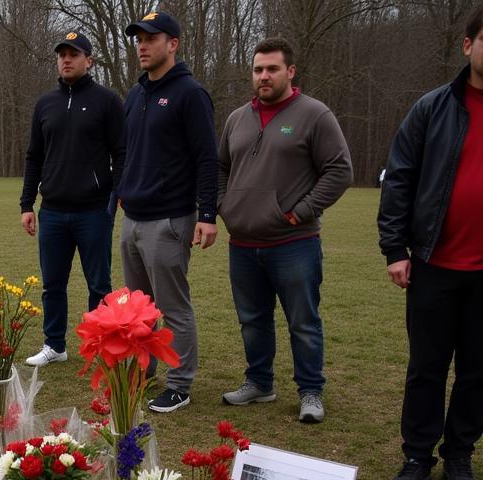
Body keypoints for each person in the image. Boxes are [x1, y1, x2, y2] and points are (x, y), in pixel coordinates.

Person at [218, 38, 352, 424]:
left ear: (290, 72)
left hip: (293, 242)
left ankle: (310, 390)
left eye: (272, 69)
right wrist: (226, 205)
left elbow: (340, 170)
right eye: (258, 69)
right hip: (243, 243)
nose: (264, 76)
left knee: (303, 321)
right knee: (252, 319)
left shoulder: (314, 114)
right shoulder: (237, 118)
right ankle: (259, 382)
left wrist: (303, 210)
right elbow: (221, 166)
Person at [379, 6, 483, 480]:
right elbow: (399, 177)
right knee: (427, 366)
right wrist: (395, 248)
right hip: (433, 265)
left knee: (478, 369)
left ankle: (459, 455)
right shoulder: (432, 108)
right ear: (468, 46)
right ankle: (417, 455)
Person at [117, 12, 217, 413]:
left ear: (173, 43)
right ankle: (143, 371)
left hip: (170, 218)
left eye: (151, 38)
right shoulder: (135, 94)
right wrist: (123, 189)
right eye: (138, 38)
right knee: (138, 309)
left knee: (172, 306)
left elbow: (207, 158)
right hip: (134, 216)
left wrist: (207, 213)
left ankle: (180, 384)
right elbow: (128, 151)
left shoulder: (190, 93)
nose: (142, 45)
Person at [20, 31, 125, 367]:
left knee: (99, 283)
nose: (66, 59)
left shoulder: (106, 101)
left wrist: (116, 196)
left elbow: (121, 152)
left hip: (93, 210)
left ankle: (99, 342)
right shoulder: (45, 104)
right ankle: (55, 345)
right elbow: (34, 156)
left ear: (88, 60)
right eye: (62, 54)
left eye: (74, 54)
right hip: (52, 211)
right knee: (52, 285)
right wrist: (27, 204)